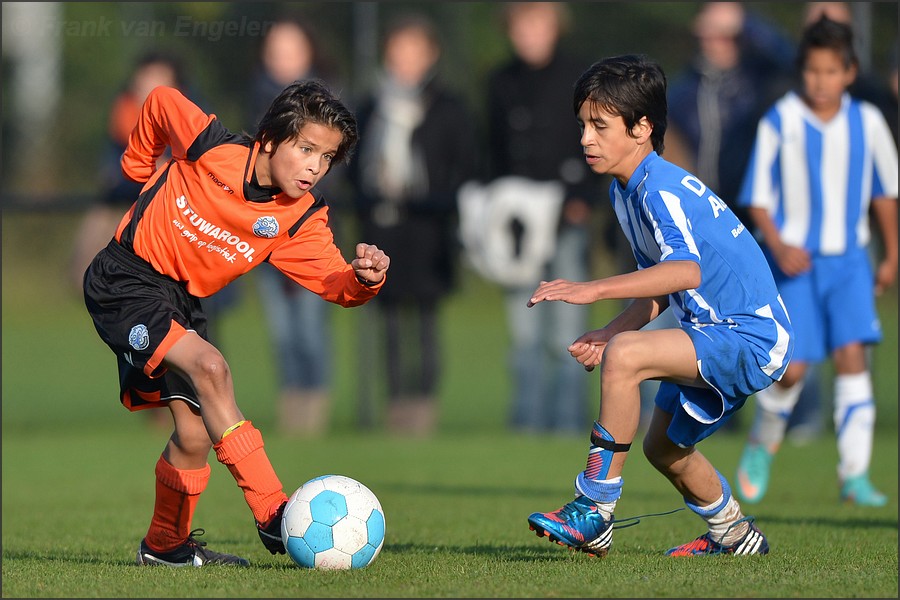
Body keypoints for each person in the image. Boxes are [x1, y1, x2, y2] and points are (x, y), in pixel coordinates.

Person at [82, 79, 390, 567]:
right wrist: (136, 167)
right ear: (268, 139)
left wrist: (364, 279)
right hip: (125, 278)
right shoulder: (213, 146)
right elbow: (161, 101)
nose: (315, 165)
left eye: (327, 157)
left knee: (194, 435)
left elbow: (336, 284)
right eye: (306, 148)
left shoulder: (299, 217)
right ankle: (272, 511)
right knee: (212, 368)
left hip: (180, 303)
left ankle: (165, 548)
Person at [525, 54, 793, 558]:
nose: (586, 138)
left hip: (750, 335)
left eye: (600, 126)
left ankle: (594, 510)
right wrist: (607, 332)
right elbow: (661, 286)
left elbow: (686, 272)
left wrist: (592, 289)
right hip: (718, 330)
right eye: (583, 125)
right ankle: (734, 535)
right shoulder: (626, 190)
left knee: (629, 356)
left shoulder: (661, 189)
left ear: (642, 127)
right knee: (663, 447)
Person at [734, 16, 898, 507]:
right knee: (791, 369)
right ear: (801, 71)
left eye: (831, 71)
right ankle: (763, 442)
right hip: (795, 263)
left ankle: (855, 475)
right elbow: (757, 198)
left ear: (849, 72)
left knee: (853, 359)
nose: (820, 81)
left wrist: (891, 254)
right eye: (812, 71)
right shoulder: (780, 119)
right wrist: (779, 244)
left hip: (849, 260)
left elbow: (886, 192)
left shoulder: (867, 121)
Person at [347, 13, 478, 435]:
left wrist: (428, 198)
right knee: (387, 324)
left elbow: (463, 167)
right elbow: (349, 166)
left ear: (430, 55)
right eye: (398, 52)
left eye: (414, 52)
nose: (405, 61)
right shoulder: (369, 106)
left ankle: (422, 408)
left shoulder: (448, 106)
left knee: (423, 323)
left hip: (428, 232)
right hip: (381, 230)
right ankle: (394, 405)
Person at [484, 1, 599, 434]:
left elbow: (594, 143)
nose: (530, 32)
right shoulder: (499, 81)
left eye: (539, 23)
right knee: (525, 333)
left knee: (567, 334)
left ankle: (568, 424)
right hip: (515, 226)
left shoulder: (581, 79)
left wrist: (582, 198)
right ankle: (526, 424)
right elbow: (491, 152)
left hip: (567, 220)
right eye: (521, 24)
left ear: (556, 27)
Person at [247, 16, 339, 435]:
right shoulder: (258, 103)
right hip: (263, 234)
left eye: (291, 49)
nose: (282, 58)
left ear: (308, 54)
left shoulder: (327, 108)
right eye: (276, 50)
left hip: (304, 236)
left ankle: (313, 414)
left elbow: (331, 170)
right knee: (282, 331)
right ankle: (291, 413)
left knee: (309, 328)